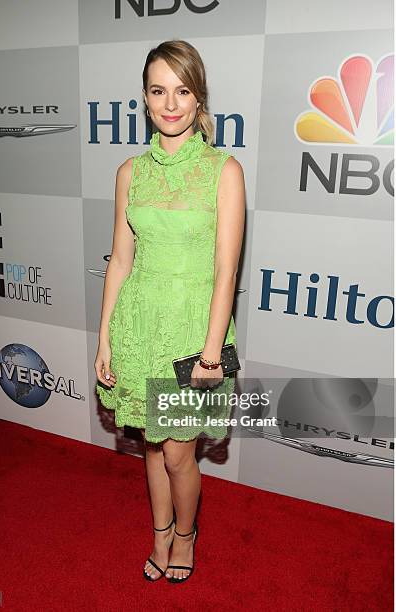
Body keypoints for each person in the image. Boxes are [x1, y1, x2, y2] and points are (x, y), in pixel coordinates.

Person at [95, 39, 245, 583]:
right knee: (152, 447)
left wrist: (211, 352)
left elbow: (226, 271)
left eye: (182, 91)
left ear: (199, 98)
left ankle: (185, 534)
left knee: (180, 454)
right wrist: (105, 337)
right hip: (138, 323)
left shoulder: (224, 171)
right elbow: (119, 261)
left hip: (191, 331)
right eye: (159, 91)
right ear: (145, 98)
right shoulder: (129, 173)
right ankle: (159, 533)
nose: (171, 103)